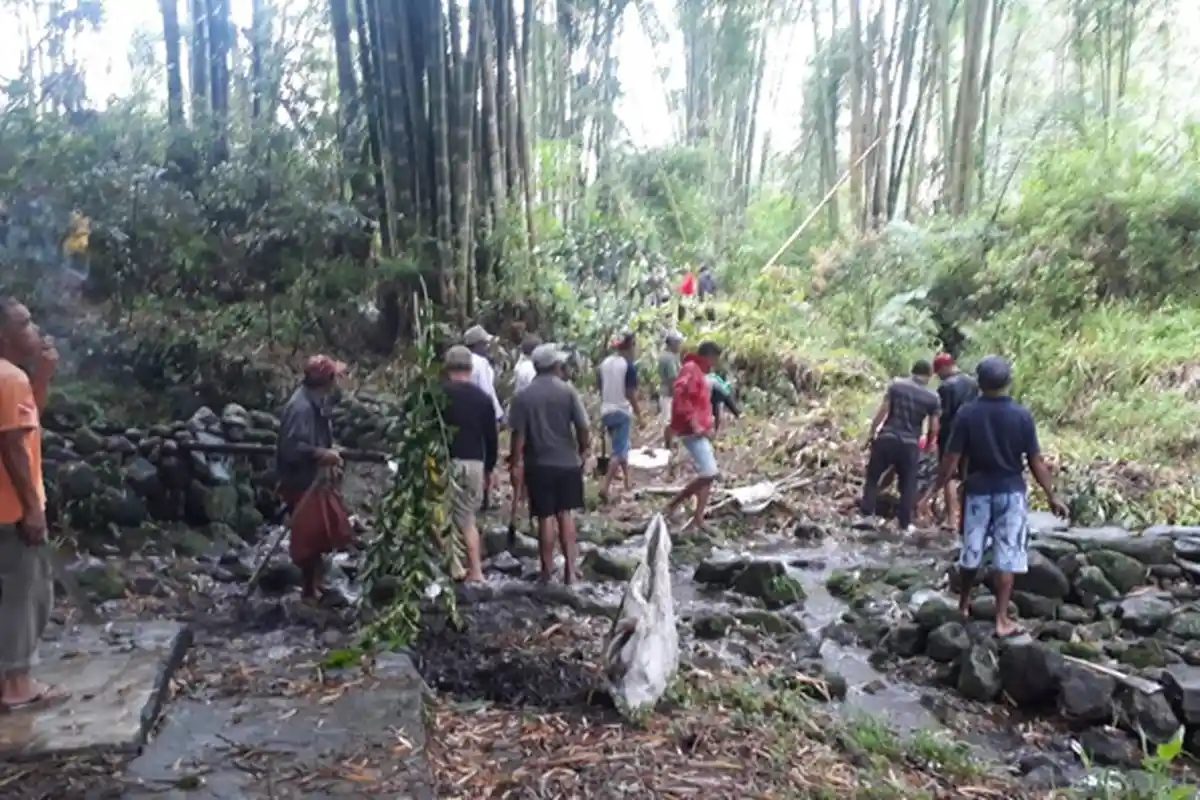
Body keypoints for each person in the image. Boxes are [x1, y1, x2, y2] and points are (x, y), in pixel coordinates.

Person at [925, 356, 1069, 639]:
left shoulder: (968, 414)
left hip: (977, 491)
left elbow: (951, 459)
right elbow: (1035, 460)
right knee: (1008, 556)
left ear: (979, 382)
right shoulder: (1021, 415)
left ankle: (964, 604)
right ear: (1008, 382)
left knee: (972, 551)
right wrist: (1052, 495)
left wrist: (930, 492)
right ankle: (1002, 619)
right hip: (1011, 492)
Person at [0, 297, 67, 712]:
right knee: (27, 595)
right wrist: (32, 508)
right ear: (5, 336)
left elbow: (26, 424)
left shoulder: (14, 380)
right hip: (10, 511)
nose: (35, 329)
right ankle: (18, 684)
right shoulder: (9, 379)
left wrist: (42, 375)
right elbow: (12, 447)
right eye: (26, 323)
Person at [508, 343, 590, 584]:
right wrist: (585, 449)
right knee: (565, 514)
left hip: (539, 464)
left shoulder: (523, 396)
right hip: (567, 462)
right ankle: (570, 572)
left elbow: (518, 436)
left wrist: (515, 461)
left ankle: (546, 571)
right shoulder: (568, 391)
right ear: (556, 365)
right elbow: (583, 426)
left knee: (545, 517)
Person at [277, 354, 352, 604]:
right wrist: (322, 454)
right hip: (301, 481)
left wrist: (329, 449)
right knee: (308, 537)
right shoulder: (300, 408)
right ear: (327, 380)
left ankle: (316, 586)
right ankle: (309, 590)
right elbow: (293, 448)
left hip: (313, 479)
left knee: (324, 532)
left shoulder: (315, 402)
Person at [860, 360, 941, 533]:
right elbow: (934, 427)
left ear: (912, 371)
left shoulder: (896, 386)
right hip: (910, 444)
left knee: (873, 477)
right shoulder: (932, 397)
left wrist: (872, 433)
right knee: (907, 485)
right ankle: (904, 524)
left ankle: (866, 515)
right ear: (929, 375)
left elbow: (883, 411)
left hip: (887, 437)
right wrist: (927, 446)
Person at [441, 346, 498, 582]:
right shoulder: (483, 399)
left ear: (446, 369)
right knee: (467, 518)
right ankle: (476, 570)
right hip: (474, 462)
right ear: (471, 368)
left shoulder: (437, 395)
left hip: (445, 460)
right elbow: (491, 437)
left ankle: (454, 565)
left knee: (443, 515)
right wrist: (489, 468)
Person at [665, 341, 722, 532]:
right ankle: (672, 505)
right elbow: (680, 393)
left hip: (698, 430)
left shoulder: (697, 371)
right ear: (707, 356)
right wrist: (695, 423)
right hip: (691, 430)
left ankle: (698, 517)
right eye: (713, 360)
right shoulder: (691, 368)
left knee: (707, 475)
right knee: (709, 473)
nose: (712, 365)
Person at [927, 352, 979, 529]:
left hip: (950, 435)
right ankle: (965, 519)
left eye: (938, 372)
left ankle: (951, 520)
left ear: (943, 368)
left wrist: (933, 439)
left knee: (947, 474)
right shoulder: (973, 383)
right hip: (972, 435)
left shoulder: (945, 387)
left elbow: (943, 415)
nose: (939, 376)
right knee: (967, 476)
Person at [597, 332, 642, 501]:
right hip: (621, 411)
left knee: (622, 447)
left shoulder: (605, 364)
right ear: (631, 346)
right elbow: (630, 393)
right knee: (618, 452)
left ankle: (627, 481)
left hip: (606, 411)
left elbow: (600, 388)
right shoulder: (628, 366)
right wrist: (639, 415)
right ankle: (605, 487)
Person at [463, 324, 504, 422]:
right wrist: (499, 415)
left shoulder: (463, 359)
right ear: (478, 344)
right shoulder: (480, 362)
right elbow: (487, 391)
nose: (487, 347)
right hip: (481, 414)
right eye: (485, 344)